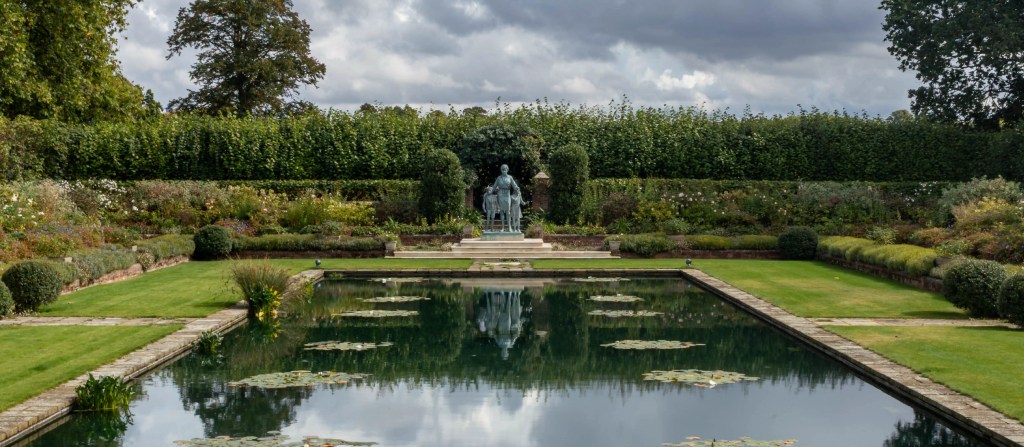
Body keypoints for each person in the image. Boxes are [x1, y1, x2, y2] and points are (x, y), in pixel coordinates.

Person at [489, 164, 520, 232]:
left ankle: (509, 227)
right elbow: (494, 186)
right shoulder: (498, 178)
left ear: (507, 170)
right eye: (502, 170)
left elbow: (514, 185)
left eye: (505, 169)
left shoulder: (510, 177)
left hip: (507, 195)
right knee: (502, 211)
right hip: (500, 195)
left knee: (508, 212)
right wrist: (490, 191)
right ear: (501, 170)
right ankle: (502, 227)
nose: (504, 171)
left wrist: (517, 188)